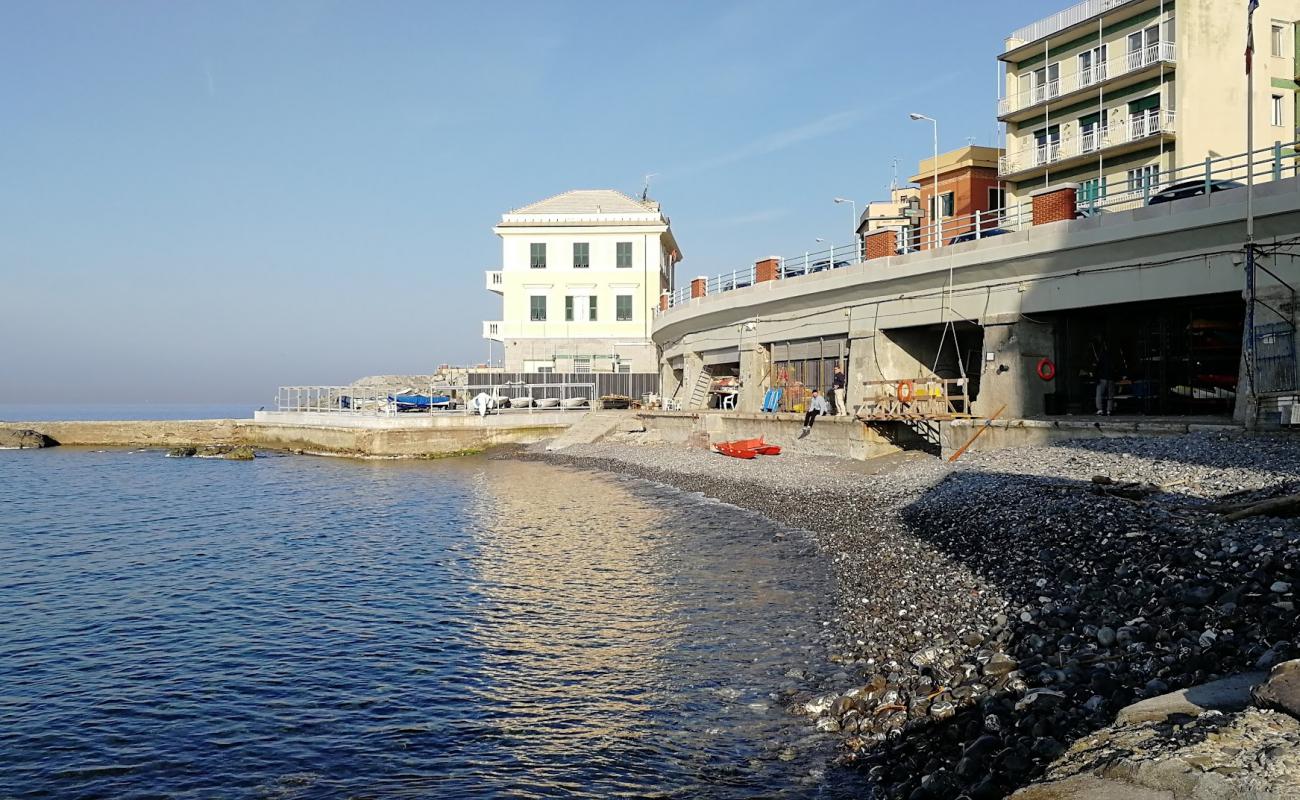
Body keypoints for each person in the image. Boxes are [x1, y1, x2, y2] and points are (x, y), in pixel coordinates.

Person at [1093, 341, 1114, 416]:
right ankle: (1109, 410)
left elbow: (1097, 367)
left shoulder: (1100, 356)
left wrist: (1096, 377)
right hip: (1110, 377)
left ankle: (1100, 409)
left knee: (1099, 394)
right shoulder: (1112, 355)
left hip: (1102, 377)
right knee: (1110, 395)